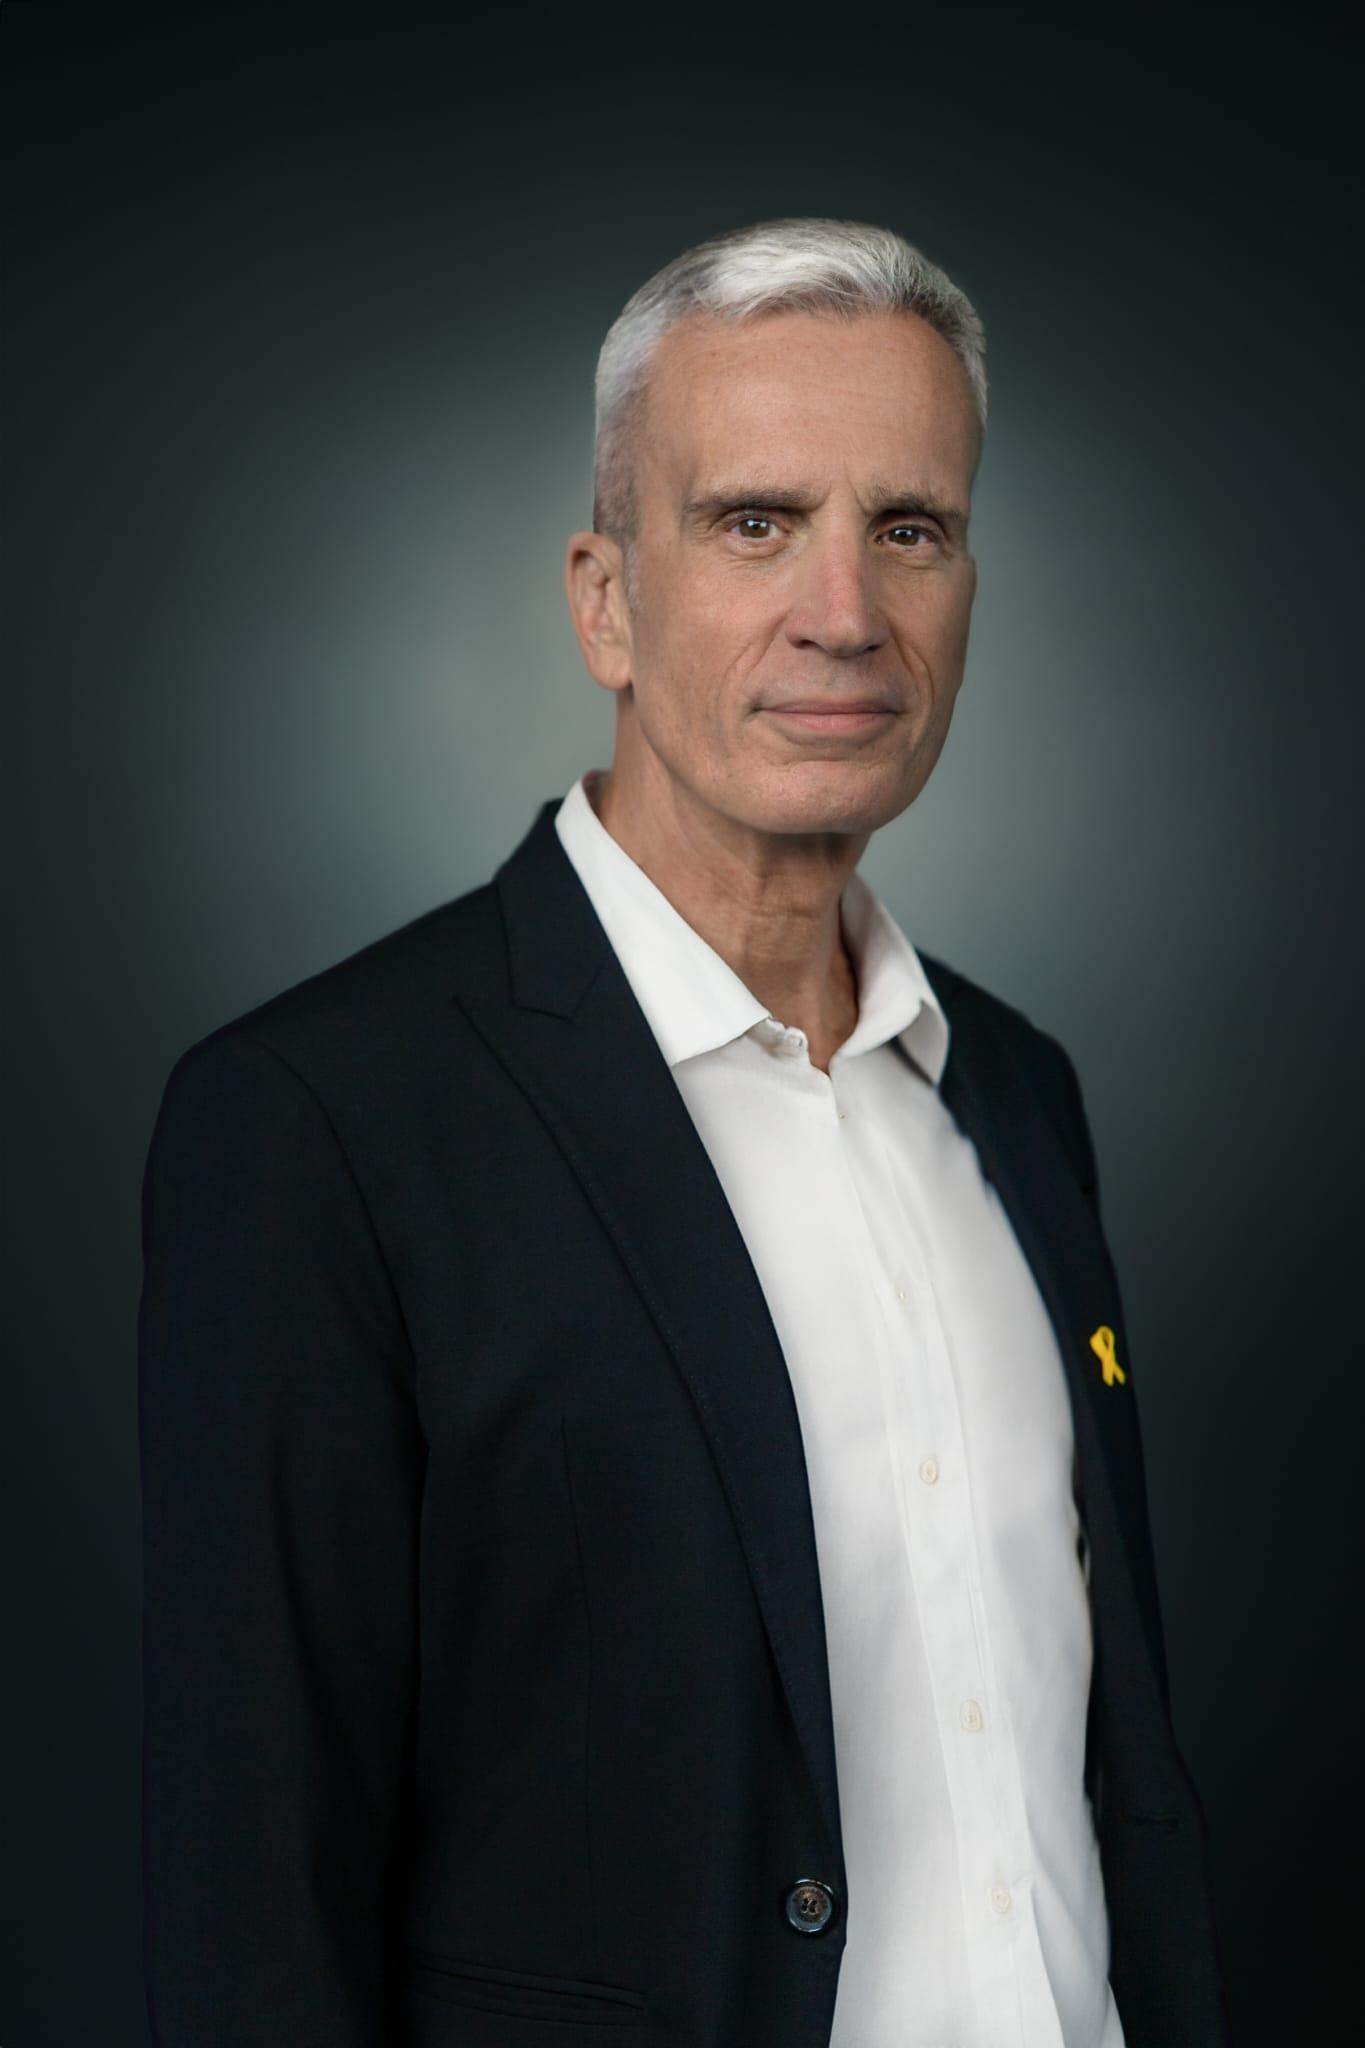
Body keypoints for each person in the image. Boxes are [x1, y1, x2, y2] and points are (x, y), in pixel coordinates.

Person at [137, 217, 1233, 2048]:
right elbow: (257, 1898)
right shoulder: (317, 1120)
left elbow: (1110, 1770)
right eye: (753, 523)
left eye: (910, 528)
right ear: (603, 602)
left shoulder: (1019, 1092)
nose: (844, 611)